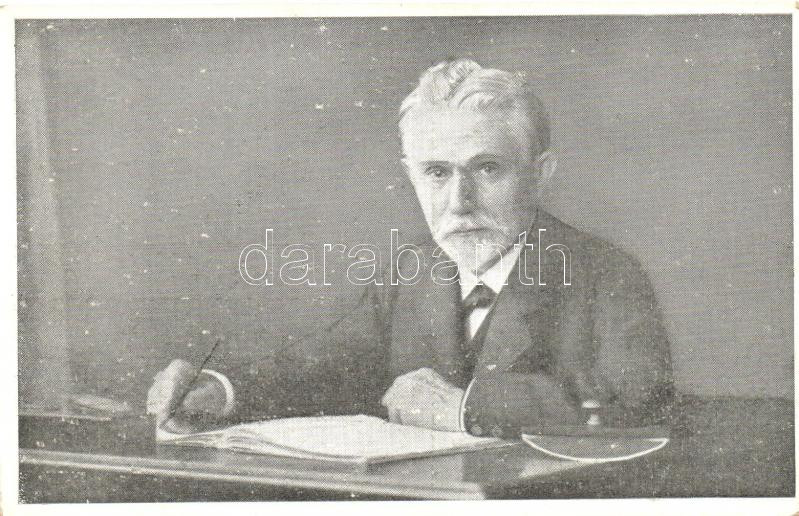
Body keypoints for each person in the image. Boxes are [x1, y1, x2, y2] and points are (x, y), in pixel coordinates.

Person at [147, 58, 674, 437]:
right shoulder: (414, 269)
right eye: (437, 173)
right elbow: (331, 365)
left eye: (487, 169)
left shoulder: (605, 273)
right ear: (411, 176)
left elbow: (639, 400)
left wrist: (466, 408)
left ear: (540, 175)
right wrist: (220, 388)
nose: (460, 202)